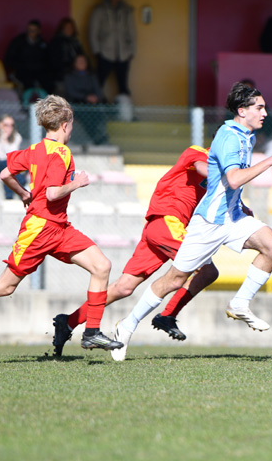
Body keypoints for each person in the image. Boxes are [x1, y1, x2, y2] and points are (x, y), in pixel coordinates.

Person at [107, 82, 272, 361]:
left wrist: (241, 206)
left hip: (232, 217)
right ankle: (127, 325)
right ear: (242, 111)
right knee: (174, 279)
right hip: (209, 222)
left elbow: (224, 183)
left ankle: (240, 303)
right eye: (260, 107)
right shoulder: (229, 136)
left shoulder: (248, 137)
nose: (265, 113)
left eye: (264, 107)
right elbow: (233, 179)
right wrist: (271, 160)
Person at [0, 95, 122, 353]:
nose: (71, 130)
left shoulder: (35, 149)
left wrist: (23, 193)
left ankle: (92, 332)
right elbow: (52, 193)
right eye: (71, 125)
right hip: (40, 229)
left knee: (101, 266)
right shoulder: (61, 152)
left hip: (59, 227)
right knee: (4, 285)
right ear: (65, 125)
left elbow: (5, 173)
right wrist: (76, 183)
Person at [52, 145, 219, 359]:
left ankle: (69, 322)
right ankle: (167, 315)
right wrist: (228, 174)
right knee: (207, 271)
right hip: (168, 222)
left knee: (123, 287)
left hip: (160, 228)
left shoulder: (223, 170)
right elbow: (203, 168)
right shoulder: (199, 153)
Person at [89, 0, 136, 96]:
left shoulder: (126, 11)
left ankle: (124, 107)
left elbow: (132, 32)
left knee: (123, 85)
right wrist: (96, 51)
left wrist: (132, 51)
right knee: (98, 83)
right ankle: (95, 106)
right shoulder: (99, 10)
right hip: (104, 52)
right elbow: (92, 32)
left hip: (123, 53)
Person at [224, 79, 272, 158]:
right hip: (241, 143)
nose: (264, 113)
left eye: (250, 90)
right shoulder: (232, 109)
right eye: (258, 108)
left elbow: (271, 124)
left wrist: (263, 135)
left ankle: (264, 163)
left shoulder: (258, 103)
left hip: (259, 141)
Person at [63, 54, 108, 145]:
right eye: (79, 61)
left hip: (91, 105)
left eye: (83, 61)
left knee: (98, 115)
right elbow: (71, 92)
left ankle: (97, 138)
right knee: (85, 116)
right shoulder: (69, 76)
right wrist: (85, 97)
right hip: (76, 104)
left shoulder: (92, 76)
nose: (81, 63)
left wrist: (95, 98)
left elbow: (98, 92)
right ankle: (93, 138)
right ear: (74, 63)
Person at [5, 19, 51, 93]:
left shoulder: (43, 43)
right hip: (23, 71)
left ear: (39, 31)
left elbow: (48, 60)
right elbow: (9, 59)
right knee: (28, 84)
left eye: (34, 30)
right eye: (29, 30)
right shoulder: (18, 42)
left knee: (48, 83)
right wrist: (21, 66)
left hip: (39, 72)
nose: (31, 32)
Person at [0, 115, 25, 199]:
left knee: (8, 172)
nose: (9, 128)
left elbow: (13, 154)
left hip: (9, 165)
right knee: (7, 167)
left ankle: (9, 197)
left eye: (12, 125)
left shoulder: (17, 137)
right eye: (6, 125)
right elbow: (0, 156)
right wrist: (4, 140)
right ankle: (21, 182)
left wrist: (6, 140)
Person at [48, 17, 85, 94]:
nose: (69, 30)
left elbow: (82, 58)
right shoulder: (56, 42)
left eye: (71, 27)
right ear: (62, 29)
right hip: (61, 75)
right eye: (66, 27)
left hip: (76, 73)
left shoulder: (76, 42)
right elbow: (54, 62)